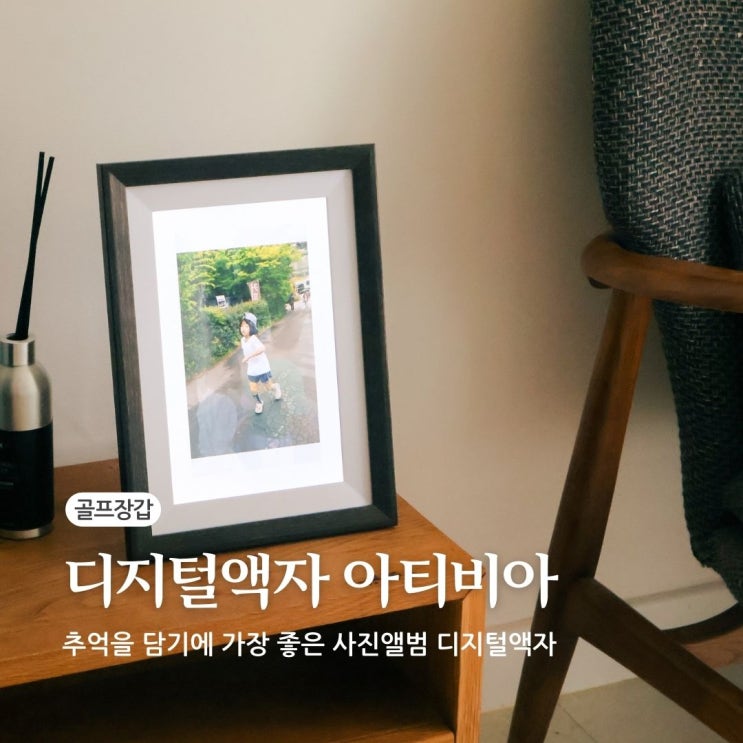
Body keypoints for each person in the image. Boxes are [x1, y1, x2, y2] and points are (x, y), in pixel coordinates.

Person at [239, 317, 281, 414]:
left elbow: (262, 348)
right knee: (253, 389)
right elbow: (246, 351)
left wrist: (248, 357)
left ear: (251, 328)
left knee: (268, 387)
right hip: (252, 369)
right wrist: (247, 359)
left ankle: (276, 387)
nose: (243, 328)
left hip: (262, 368)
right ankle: (259, 402)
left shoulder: (253, 339)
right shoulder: (242, 340)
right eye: (242, 326)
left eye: (246, 326)